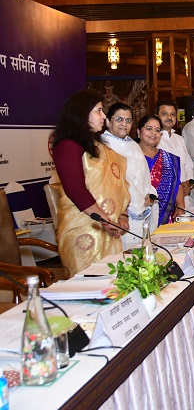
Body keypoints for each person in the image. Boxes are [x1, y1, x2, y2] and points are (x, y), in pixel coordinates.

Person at [51, 91, 130, 276]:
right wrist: (105, 220)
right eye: (98, 110)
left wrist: (122, 214)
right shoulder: (67, 146)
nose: (103, 116)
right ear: (82, 113)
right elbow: (75, 190)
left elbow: (119, 184)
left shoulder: (98, 147)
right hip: (82, 229)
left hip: (108, 226)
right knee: (88, 285)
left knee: (113, 283)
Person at [101, 102, 157, 249]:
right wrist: (122, 211)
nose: (124, 124)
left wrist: (149, 194)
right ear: (108, 121)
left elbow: (144, 175)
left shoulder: (133, 145)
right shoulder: (103, 146)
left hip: (141, 206)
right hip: (119, 213)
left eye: (128, 120)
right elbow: (108, 184)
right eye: (119, 119)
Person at [136, 115, 185, 225]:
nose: (153, 133)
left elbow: (177, 184)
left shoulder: (169, 158)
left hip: (167, 220)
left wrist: (181, 207)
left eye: (157, 130)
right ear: (139, 132)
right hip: (140, 217)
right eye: (149, 128)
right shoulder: (131, 156)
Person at [156, 100, 193, 205]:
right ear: (156, 116)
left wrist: (188, 182)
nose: (169, 117)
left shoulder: (179, 139)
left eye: (172, 114)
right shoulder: (154, 140)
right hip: (164, 197)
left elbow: (188, 164)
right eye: (164, 114)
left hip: (184, 195)